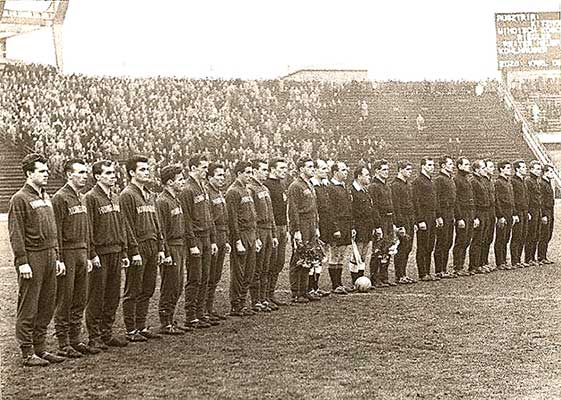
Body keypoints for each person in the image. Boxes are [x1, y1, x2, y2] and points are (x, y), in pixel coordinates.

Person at [8, 153, 67, 366]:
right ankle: (27, 352)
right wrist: (22, 261)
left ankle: (40, 348)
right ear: (28, 173)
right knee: (29, 305)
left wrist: (58, 257)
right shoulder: (19, 198)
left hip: (50, 255)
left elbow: (53, 231)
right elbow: (16, 233)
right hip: (33, 257)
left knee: (47, 304)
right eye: (41, 171)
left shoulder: (46, 196)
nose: (46, 175)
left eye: (47, 171)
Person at [52, 159, 98, 358]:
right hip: (68, 253)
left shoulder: (82, 197)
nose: (84, 175)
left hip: (81, 252)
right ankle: (63, 343)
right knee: (65, 298)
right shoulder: (60, 198)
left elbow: (87, 229)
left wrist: (88, 254)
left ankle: (75, 339)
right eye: (80, 172)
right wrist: (59, 258)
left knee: (80, 298)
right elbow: (57, 232)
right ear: (69, 174)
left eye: (86, 172)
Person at [85, 160, 130, 350]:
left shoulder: (116, 196)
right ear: (97, 176)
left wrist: (124, 250)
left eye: (114, 173)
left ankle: (107, 332)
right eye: (109, 173)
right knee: (97, 295)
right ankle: (94, 336)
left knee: (113, 295)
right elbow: (89, 229)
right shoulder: (91, 197)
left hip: (116, 252)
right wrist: (92, 253)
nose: (114, 176)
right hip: (101, 254)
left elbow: (121, 225)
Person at [120, 154, 165, 341]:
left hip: (152, 245)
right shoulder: (127, 195)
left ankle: (141, 325)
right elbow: (127, 225)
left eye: (148, 169)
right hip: (138, 247)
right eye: (142, 170)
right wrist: (133, 251)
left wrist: (161, 247)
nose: (147, 173)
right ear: (132, 172)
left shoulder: (149, 194)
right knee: (133, 289)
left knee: (147, 288)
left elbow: (157, 223)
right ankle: (131, 330)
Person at [181, 154, 218, 329]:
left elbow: (209, 216)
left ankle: (201, 312)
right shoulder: (187, 189)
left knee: (205, 276)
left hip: (205, 236)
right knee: (195, 277)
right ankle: (191, 315)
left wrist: (211, 239)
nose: (206, 170)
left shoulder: (202, 187)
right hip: (195, 237)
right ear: (193, 168)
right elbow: (186, 219)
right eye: (203, 167)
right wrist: (192, 244)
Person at [155, 165, 188, 335]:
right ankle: (165, 322)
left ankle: (171, 319)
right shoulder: (162, 201)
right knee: (170, 284)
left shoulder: (176, 199)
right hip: (171, 247)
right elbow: (162, 230)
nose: (183, 182)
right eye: (180, 179)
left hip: (179, 246)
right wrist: (166, 252)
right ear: (169, 182)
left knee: (178, 285)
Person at [226, 160, 259, 316]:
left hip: (251, 233)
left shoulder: (248, 190)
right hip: (242, 235)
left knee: (249, 271)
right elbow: (232, 219)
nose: (250, 176)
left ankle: (243, 301)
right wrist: (237, 240)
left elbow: (253, 216)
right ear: (239, 173)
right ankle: (236, 304)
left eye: (252, 172)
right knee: (239, 271)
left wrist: (256, 237)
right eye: (247, 172)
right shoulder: (233, 192)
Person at [287, 157, 320, 302]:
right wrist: (297, 230)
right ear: (301, 169)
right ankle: (296, 292)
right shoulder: (295, 186)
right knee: (298, 258)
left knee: (309, 256)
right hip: (302, 223)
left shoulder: (310, 184)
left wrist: (316, 226)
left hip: (311, 223)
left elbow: (314, 208)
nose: (313, 169)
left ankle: (304, 290)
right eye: (309, 166)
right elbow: (293, 210)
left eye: (313, 166)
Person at [248, 159, 278, 312]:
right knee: (258, 266)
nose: (266, 172)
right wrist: (257, 236)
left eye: (267, 170)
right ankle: (256, 300)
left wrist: (273, 233)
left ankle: (264, 298)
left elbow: (271, 213)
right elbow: (252, 215)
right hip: (259, 229)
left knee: (266, 266)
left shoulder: (265, 188)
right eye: (263, 170)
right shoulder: (250, 189)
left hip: (267, 228)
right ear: (254, 171)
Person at [205, 163, 231, 320]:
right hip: (212, 236)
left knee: (216, 275)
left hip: (222, 235)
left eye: (223, 175)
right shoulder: (207, 192)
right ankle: (204, 310)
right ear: (210, 177)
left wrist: (226, 238)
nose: (222, 178)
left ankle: (209, 308)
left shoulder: (220, 193)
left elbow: (225, 218)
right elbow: (209, 219)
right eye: (219, 175)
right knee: (208, 275)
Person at [264, 158, 290, 305]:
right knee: (270, 262)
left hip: (282, 228)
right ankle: (265, 295)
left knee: (279, 262)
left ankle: (271, 294)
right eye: (281, 168)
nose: (284, 170)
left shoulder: (280, 185)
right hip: (272, 229)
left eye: (285, 167)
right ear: (272, 169)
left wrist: (285, 228)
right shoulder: (267, 185)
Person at [326, 161, 353, 294]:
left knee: (342, 255)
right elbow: (330, 210)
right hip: (337, 224)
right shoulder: (330, 188)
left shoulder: (344, 186)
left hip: (346, 224)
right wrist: (334, 227)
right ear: (335, 172)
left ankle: (339, 283)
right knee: (335, 254)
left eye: (346, 170)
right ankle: (334, 284)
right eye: (343, 170)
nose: (346, 172)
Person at [368, 160, 396, 287]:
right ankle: (375, 277)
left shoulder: (386, 186)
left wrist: (393, 222)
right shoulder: (373, 186)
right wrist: (377, 225)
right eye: (384, 169)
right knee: (378, 249)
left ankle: (384, 276)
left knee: (388, 249)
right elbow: (374, 208)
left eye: (387, 169)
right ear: (377, 171)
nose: (387, 172)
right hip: (381, 221)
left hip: (389, 221)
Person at [309, 159, 333, 296]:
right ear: (316, 170)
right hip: (316, 225)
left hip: (325, 225)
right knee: (313, 257)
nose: (327, 171)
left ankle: (315, 286)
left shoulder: (324, 186)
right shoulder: (312, 186)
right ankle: (310, 287)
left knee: (320, 258)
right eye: (323, 169)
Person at [412, 158, 437, 282]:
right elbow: (416, 202)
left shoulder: (430, 181)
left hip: (431, 216)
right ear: (422, 166)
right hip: (424, 216)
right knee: (423, 245)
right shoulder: (418, 181)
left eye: (433, 165)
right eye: (429, 165)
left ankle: (427, 271)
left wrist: (436, 216)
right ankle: (422, 272)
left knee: (430, 245)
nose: (432, 167)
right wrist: (420, 220)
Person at [391, 161, 416, 284]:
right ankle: (399, 275)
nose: (410, 171)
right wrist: (400, 224)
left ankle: (403, 274)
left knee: (408, 247)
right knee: (402, 247)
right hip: (403, 219)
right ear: (400, 170)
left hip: (410, 218)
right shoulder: (395, 185)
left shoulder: (408, 185)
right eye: (407, 169)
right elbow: (396, 206)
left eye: (411, 169)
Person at [452, 157, 477, 275]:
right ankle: (458, 266)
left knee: (467, 240)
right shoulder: (456, 179)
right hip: (463, 213)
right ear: (459, 166)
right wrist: (459, 217)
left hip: (470, 212)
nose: (468, 166)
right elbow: (456, 200)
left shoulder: (467, 179)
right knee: (461, 240)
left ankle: (461, 265)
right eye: (466, 164)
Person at [350, 165, 373, 285]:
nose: (369, 177)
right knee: (357, 253)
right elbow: (351, 211)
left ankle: (361, 277)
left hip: (367, 225)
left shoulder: (365, 190)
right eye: (367, 175)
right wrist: (353, 227)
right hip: (359, 225)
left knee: (364, 253)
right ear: (359, 176)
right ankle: (355, 280)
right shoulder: (352, 191)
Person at [433, 156, 455, 279]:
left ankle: (444, 268)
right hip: (443, 213)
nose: (452, 166)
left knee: (448, 242)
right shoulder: (439, 180)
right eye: (450, 164)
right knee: (441, 242)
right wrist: (439, 215)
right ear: (443, 166)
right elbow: (437, 199)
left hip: (450, 213)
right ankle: (438, 270)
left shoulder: (450, 179)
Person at [469, 160, 492, 274]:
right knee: (477, 240)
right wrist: (476, 216)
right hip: (479, 212)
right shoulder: (473, 182)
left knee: (483, 239)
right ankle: (474, 265)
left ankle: (481, 263)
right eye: (483, 168)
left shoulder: (482, 181)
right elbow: (474, 201)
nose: (485, 170)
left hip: (486, 212)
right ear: (476, 169)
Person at [494, 161, 515, 270]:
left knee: (506, 237)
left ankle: (503, 260)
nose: (509, 170)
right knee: (501, 238)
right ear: (501, 169)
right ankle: (499, 262)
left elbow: (511, 200)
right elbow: (498, 201)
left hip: (510, 212)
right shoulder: (498, 183)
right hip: (503, 212)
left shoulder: (508, 182)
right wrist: (500, 216)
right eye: (507, 168)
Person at [510, 160, 529, 269]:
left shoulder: (523, 181)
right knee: (516, 236)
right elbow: (514, 199)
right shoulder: (513, 181)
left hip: (525, 211)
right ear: (517, 169)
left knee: (523, 235)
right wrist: (515, 213)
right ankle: (515, 260)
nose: (525, 169)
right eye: (523, 167)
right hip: (518, 212)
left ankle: (519, 259)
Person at [524, 161, 543, 266]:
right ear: (531, 169)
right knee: (531, 234)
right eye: (536, 169)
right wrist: (528, 211)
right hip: (532, 209)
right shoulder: (529, 181)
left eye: (539, 169)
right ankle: (528, 258)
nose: (539, 171)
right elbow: (528, 197)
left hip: (538, 209)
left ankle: (532, 257)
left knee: (536, 234)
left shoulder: (536, 181)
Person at [481, 159, 497, 271]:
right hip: (484, 211)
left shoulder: (490, 181)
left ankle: (484, 261)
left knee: (488, 238)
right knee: (482, 238)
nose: (493, 169)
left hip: (491, 212)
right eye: (490, 167)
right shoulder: (481, 181)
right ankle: (480, 263)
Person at [537, 165, 555, 264]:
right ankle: (541, 256)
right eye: (551, 172)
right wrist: (543, 214)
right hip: (546, 211)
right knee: (544, 234)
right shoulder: (542, 184)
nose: (552, 174)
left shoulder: (547, 183)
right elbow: (541, 201)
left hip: (550, 210)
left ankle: (543, 255)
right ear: (545, 172)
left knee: (548, 234)